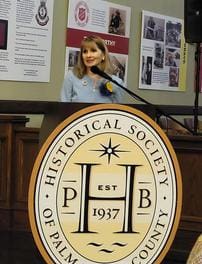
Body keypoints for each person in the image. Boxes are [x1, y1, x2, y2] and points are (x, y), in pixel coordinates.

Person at [61, 35, 124, 103]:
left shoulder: (116, 82)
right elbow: (63, 108)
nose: (88, 55)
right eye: (85, 51)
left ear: (103, 55)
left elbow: (118, 112)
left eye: (93, 51)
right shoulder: (71, 77)